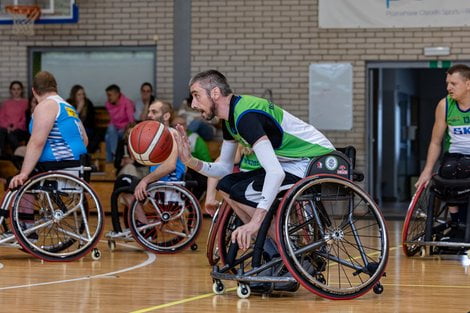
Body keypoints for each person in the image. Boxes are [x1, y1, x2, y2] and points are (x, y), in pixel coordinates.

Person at [176, 69, 335, 253]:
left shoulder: (245, 117)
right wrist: (189, 160)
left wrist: (254, 222)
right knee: (227, 184)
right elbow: (224, 170)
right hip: (293, 162)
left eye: (196, 96)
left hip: (315, 159)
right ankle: (272, 243)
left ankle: (283, 247)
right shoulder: (230, 119)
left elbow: (275, 173)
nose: (194, 104)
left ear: (215, 93)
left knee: (244, 192)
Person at [415, 64, 470, 237]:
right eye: (447, 83)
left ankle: (463, 221)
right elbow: (435, 142)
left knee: (464, 169)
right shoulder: (444, 105)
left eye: (454, 83)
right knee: (446, 173)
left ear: (468, 84)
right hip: (454, 153)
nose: (448, 88)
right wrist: (426, 171)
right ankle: (457, 223)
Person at [9, 71, 88, 188]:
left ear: (34, 90)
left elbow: (37, 142)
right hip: (80, 163)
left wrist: (24, 173)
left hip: (60, 165)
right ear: (55, 88)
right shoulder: (67, 106)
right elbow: (85, 140)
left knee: (17, 183)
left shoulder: (46, 106)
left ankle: (20, 206)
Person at [171, 114, 212, 200]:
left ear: (186, 125)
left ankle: (192, 203)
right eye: (175, 125)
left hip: (192, 170)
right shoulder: (169, 138)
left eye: (181, 125)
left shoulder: (195, 139)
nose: (177, 128)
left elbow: (207, 161)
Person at [104, 84, 135, 162]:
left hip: (124, 130)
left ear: (117, 94)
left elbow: (131, 120)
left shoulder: (127, 102)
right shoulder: (108, 104)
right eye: (107, 95)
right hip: (115, 130)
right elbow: (112, 120)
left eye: (110, 95)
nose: (108, 97)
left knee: (108, 138)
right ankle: (113, 157)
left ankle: (112, 158)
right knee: (109, 131)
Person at [0, 81, 30, 157]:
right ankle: (2, 154)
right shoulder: (6, 103)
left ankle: (18, 155)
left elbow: (25, 118)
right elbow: (1, 117)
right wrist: (7, 127)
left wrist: (15, 126)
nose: (16, 91)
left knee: (11, 134)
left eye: (18, 89)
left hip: (20, 129)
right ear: (10, 90)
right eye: (14, 89)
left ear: (22, 90)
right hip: (6, 128)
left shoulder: (26, 103)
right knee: (1, 132)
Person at [67, 85, 98, 153]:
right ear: (74, 95)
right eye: (79, 94)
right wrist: (78, 110)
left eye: (83, 94)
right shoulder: (68, 104)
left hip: (87, 129)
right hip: (72, 129)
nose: (82, 97)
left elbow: (91, 122)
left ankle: (84, 155)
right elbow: (70, 121)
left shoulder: (88, 104)